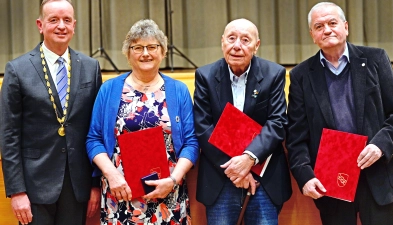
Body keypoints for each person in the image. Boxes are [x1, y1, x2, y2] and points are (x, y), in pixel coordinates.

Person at [286, 2, 393, 225]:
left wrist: (380, 145)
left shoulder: (376, 59)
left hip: (378, 176)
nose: (326, 30)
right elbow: (296, 137)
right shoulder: (301, 76)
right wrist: (305, 177)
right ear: (312, 35)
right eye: (319, 26)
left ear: (345, 27)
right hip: (331, 183)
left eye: (332, 23)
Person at [86, 19, 199, 225]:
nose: (145, 53)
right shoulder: (109, 89)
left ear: (163, 52)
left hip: (168, 195)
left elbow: (191, 143)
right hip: (119, 194)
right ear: (128, 54)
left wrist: (173, 180)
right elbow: (93, 140)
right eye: (137, 47)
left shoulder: (179, 90)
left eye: (152, 47)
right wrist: (111, 175)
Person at [0, 0, 103, 225]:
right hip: (34, 186)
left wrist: (95, 184)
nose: (61, 26)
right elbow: (9, 136)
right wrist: (17, 191)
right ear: (40, 24)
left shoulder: (90, 67)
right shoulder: (17, 70)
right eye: (53, 20)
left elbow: (96, 131)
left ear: (74, 25)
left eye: (67, 20)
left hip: (77, 186)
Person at [193, 18, 292, 224]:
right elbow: (203, 127)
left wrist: (248, 159)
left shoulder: (274, 74)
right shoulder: (205, 75)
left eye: (245, 40)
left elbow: (276, 123)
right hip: (220, 173)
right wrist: (235, 169)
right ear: (222, 42)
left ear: (256, 45)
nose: (237, 45)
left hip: (264, 175)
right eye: (231, 38)